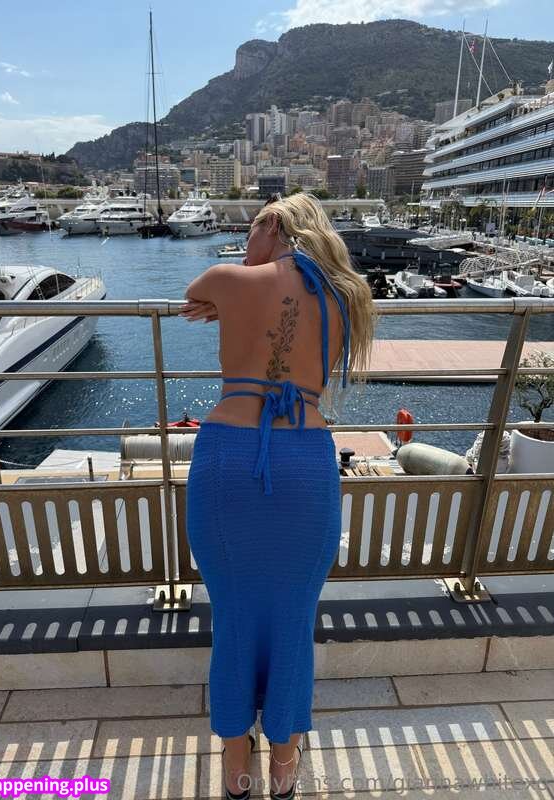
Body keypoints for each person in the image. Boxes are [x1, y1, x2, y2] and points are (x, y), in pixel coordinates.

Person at [179, 192, 376, 800]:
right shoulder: (347, 295)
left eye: (251, 231)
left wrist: (233, 295)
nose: (245, 244)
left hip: (229, 462)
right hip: (307, 465)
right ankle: (284, 767)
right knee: (294, 621)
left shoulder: (226, 280)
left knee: (233, 616)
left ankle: (235, 766)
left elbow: (197, 295)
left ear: (271, 223)